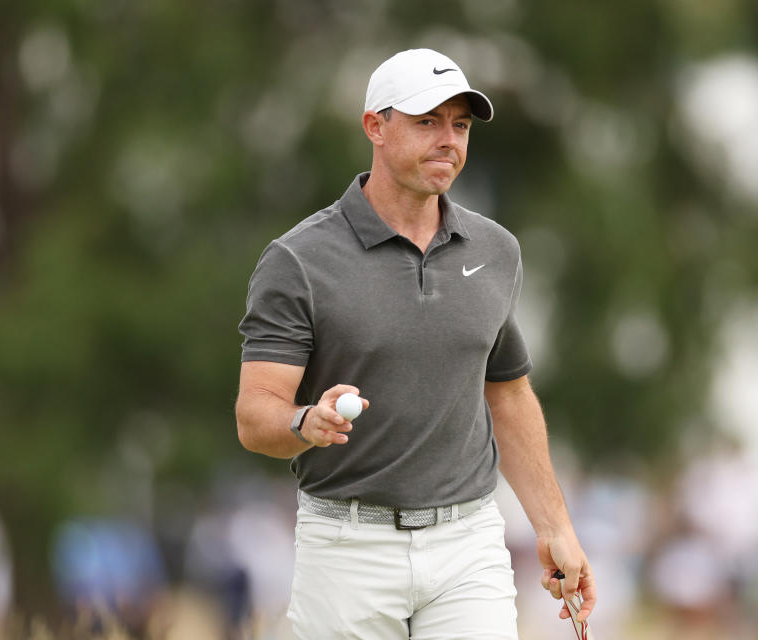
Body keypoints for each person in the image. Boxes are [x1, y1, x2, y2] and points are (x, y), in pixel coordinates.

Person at [234, 48, 597, 639]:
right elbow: (256, 415)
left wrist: (555, 525)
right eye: (427, 122)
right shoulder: (298, 260)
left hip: (468, 542)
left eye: (459, 125)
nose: (448, 140)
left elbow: (507, 393)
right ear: (375, 126)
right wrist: (305, 422)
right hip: (347, 545)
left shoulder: (495, 250)